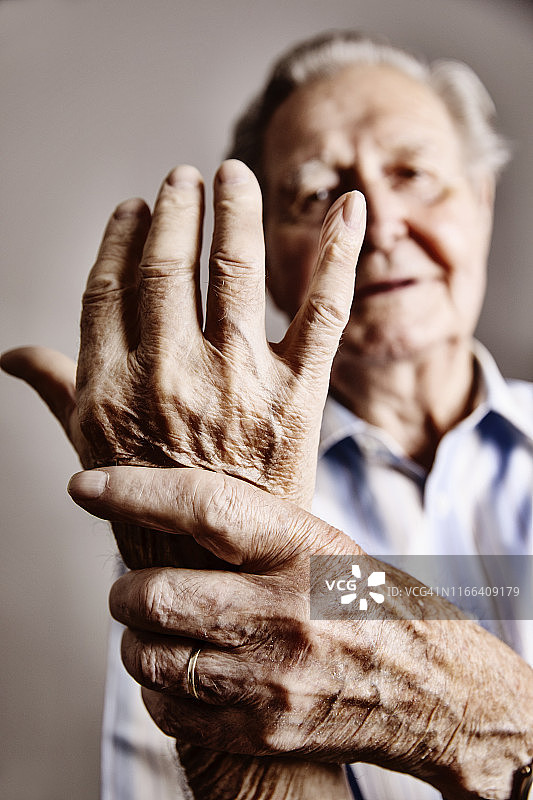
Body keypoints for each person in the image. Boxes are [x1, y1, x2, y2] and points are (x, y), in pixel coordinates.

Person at [2, 30, 532, 800]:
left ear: (480, 202)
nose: (379, 226)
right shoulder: (211, 512)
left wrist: (475, 721)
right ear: (266, 255)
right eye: (318, 194)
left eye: (413, 174)